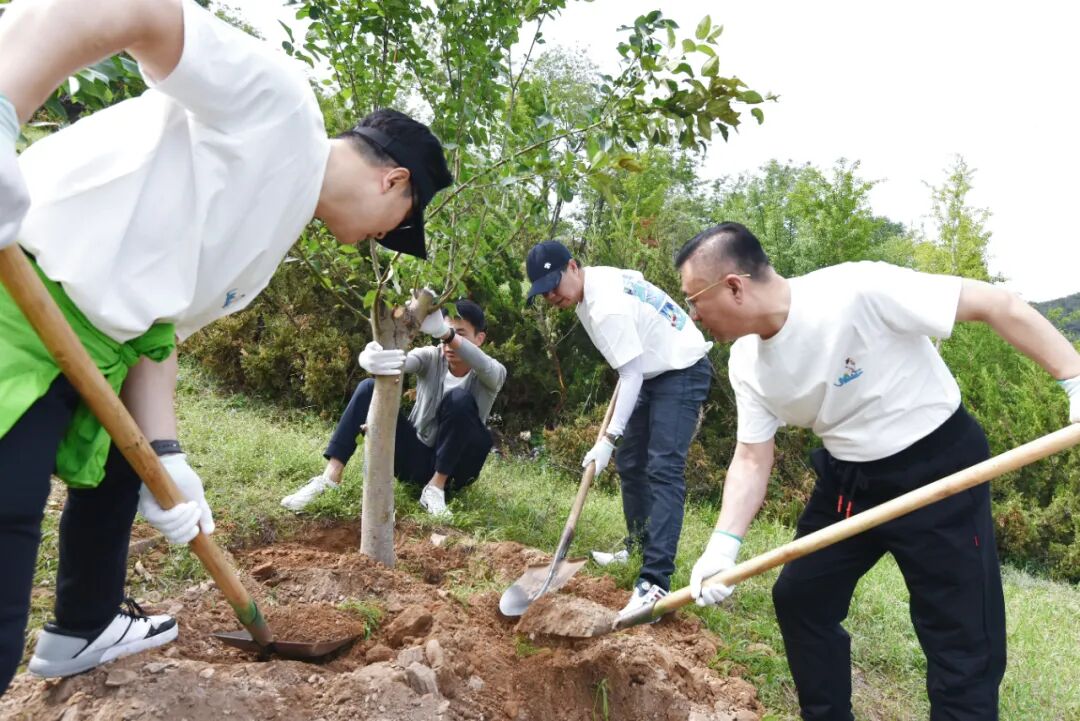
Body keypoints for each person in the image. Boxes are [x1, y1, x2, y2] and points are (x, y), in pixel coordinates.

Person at [0, 0, 451, 692]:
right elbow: (133, 9)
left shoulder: (274, 231)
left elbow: (159, 330)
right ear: (396, 183)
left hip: (98, 348)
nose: (378, 239)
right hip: (20, 299)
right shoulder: (284, 112)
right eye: (396, 226)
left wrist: (172, 458)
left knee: (136, 458)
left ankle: (83, 624)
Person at [676, 221, 1080, 720]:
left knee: (960, 640)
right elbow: (752, 456)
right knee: (802, 597)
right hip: (850, 482)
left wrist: (1075, 378)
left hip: (939, 472)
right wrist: (723, 543)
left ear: (733, 285)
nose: (693, 314)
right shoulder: (746, 364)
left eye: (694, 299)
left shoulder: (855, 290)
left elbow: (996, 304)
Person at [525, 240, 713, 616]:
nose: (551, 297)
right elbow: (631, 359)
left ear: (573, 266)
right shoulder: (596, 282)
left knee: (663, 469)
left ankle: (654, 582)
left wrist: (608, 438)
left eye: (554, 285)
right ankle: (638, 544)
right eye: (543, 293)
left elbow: (630, 373)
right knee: (631, 462)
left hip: (680, 369)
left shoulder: (603, 304)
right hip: (651, 368)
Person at [282, 299, 506, 516]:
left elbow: (485, 367)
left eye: (460, 334)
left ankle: (436, 488)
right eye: (446, 333)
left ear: (480, 338)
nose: (448, 343)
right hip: (417, 459)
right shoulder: (431, 357)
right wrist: (372, 357)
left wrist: (447, 334)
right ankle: (330, 478)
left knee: (460, 400)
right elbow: (401, 361)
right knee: (369, 387)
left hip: (458, 470)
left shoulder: (492, 373)